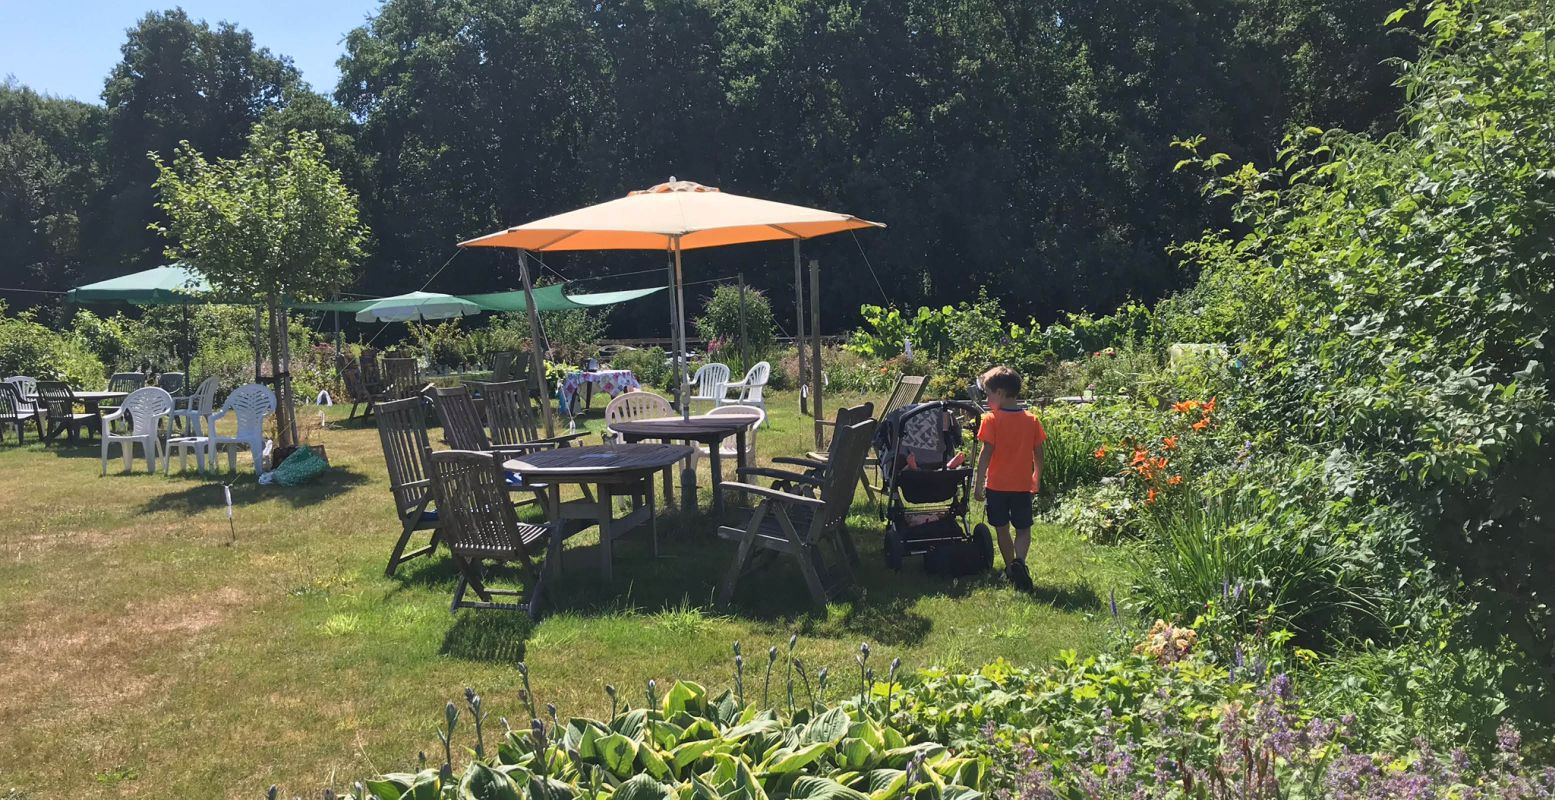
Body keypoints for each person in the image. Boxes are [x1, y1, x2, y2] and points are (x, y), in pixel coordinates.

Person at [972, 365, 1045, 591]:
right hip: (1022, 485)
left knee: (1002, 528)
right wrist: (1037, 476)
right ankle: (1020, 562)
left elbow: (986, 454)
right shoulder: (1031, 420)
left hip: (997, 486)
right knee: (1023, 528)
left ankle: (1010, 568)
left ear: (1001, 394)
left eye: (988, 394)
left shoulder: (991, 420)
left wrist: (978, 483)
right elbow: (1039, 452)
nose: (986, 400)